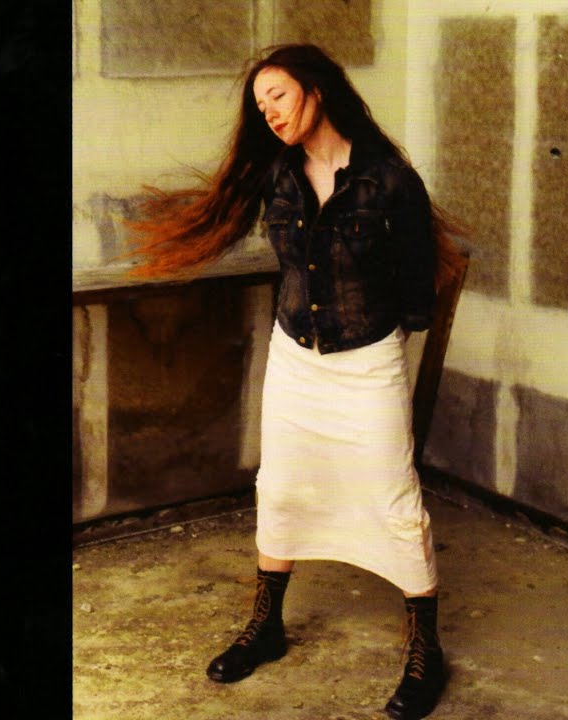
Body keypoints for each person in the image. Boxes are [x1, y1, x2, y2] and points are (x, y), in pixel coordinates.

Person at [125, 43, 465, 720]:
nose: (269, 113)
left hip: (368, 362)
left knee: (393, 497)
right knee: (280, 487)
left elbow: (416, 288)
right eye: (260, 106)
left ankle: (426, 649)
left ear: (317, 89)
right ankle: (266, 626)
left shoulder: (390, 180)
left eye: (277, 95)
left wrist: (378, 341)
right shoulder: (278, 175)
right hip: (295, 360)